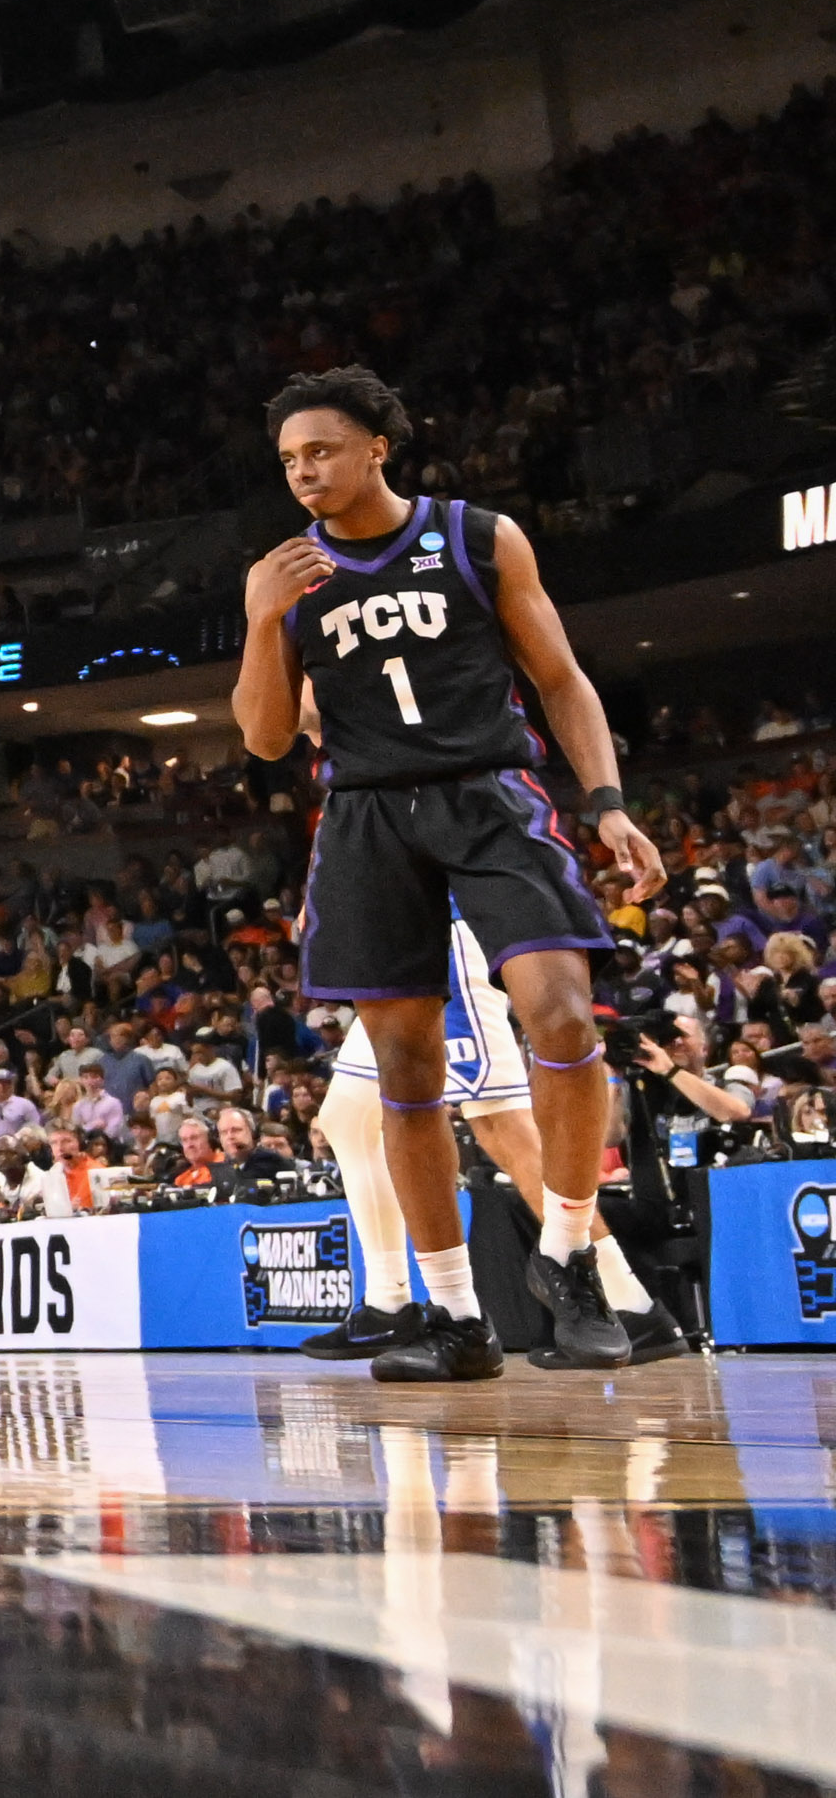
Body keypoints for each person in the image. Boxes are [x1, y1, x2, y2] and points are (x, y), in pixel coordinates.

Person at [234, 364, 664, 1381]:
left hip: (487, 794)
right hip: (366, 817)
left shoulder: (477, 537)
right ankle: (456, 1316)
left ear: (378, 446)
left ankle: (568, 1258)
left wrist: (606, 802)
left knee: (562, 1018)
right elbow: (263, 738)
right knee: (405, 1073)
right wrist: (259, 619)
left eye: (321, 450)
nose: (303, 471)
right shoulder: (285, 576)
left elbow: (559, 677)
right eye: (288, 459)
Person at [306, 909, 686, 1365]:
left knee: (502, 1125)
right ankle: (388, 1302)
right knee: (346, 1115)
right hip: (396, 935)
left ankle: (631, 1306)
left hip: (445, 929)